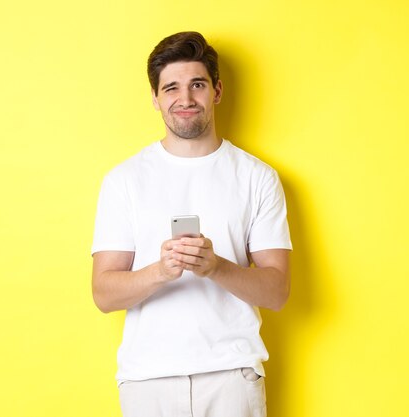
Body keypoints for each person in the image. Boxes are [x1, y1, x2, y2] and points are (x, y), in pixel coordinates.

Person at [91, 31, 292, 417]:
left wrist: (216, 267)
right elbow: (103, 293)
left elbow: (278, 291)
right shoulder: (124, 180)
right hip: (148, 380)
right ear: (155, 98)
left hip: (232, 376)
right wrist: (160, 271)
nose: (184, 99)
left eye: (197, 84)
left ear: (216, 91)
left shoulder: (257, 177)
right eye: (171, 88)